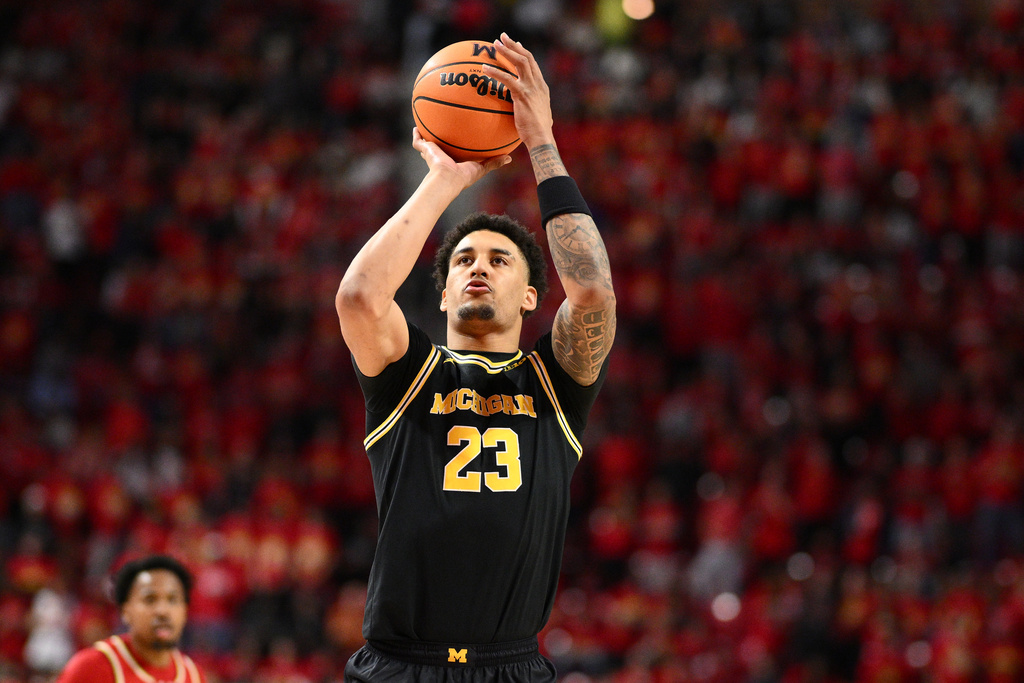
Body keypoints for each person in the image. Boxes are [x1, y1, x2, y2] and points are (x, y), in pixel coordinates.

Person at [336, 33, 616, 682]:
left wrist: (542, 143)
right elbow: (357, 297)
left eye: (498, 259)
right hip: (398, 664)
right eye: (463, 260)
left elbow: (595, 290)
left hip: (510, 664)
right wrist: (446, 181)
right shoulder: (411, 376)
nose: (477, 269)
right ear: (444, 290)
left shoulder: (554, 382)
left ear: (530, 296)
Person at [56, 555, 206, 683]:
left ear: (185, 611)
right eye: (150, 599)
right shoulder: (91, 667)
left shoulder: (194, 675)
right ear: (126, 612)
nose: (162, 611)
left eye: (172, 600)